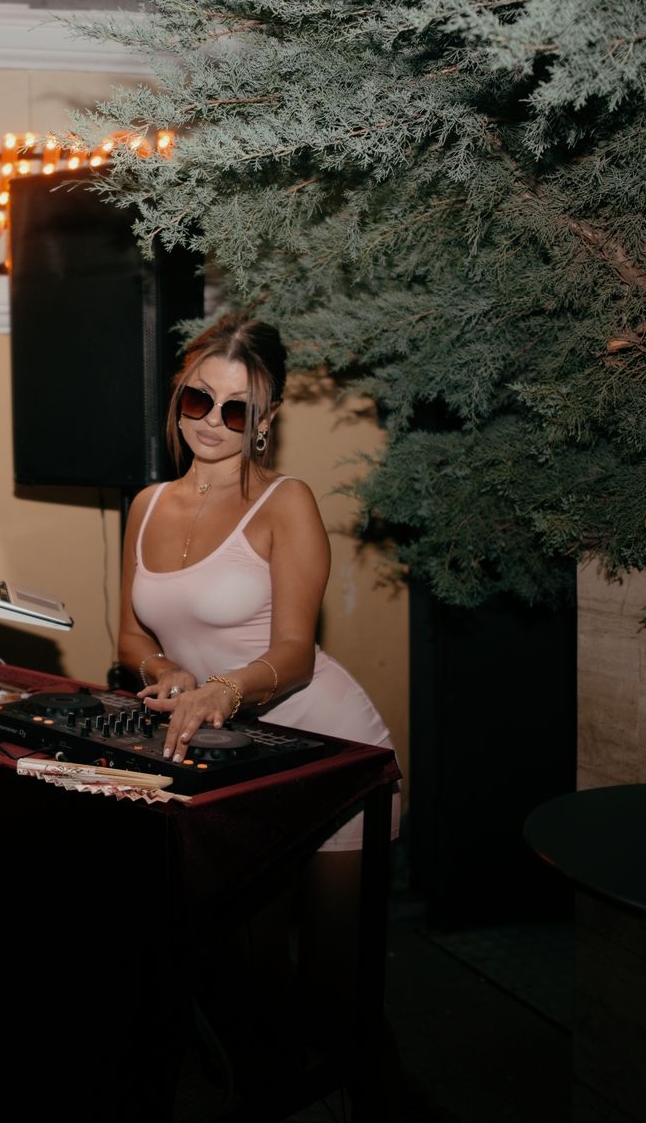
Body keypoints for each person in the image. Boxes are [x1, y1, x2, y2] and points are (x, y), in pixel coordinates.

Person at [118, 312, 403, 1089]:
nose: (213, 422)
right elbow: (128, 639)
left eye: (237, 409)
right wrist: (167, 667)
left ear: (266, 421)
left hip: (326, 752)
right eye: (198, 400)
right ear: (178, 398)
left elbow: (294, 654)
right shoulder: (144, 504)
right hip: (236, 758)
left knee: (337, 990)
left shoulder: (286, 502)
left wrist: (222, 686)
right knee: (253, 976)